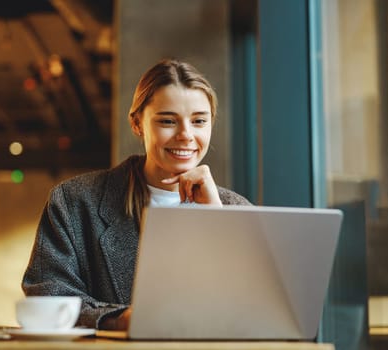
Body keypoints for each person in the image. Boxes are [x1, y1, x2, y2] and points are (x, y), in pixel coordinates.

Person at [21, 59, 251, 330]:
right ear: (137, 124)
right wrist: (118, 319)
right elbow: (47, 294)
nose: (186, 135)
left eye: (199, 121)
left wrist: (216, 224)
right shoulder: (75, 202)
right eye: (168, 121)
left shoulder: (237, 210)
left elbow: (257, 310)